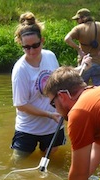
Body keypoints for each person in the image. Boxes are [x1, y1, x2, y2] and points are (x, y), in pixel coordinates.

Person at [11, 12, 65, 160]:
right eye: (26, 47)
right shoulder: (20, 70)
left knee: (52, 162)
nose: (32, 51)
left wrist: (80, 68)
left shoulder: (50, 56)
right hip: (28, 127)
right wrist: (49, 115)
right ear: (21, 45)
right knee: (18, 161)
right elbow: (21, 105)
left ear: (42, 40)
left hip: (53, 126)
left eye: (36, 45)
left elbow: (58, 83)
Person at [64, 8, 100, 86]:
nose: (77, 22)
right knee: (99, 90)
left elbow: (67, 39)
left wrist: (79, 50)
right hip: (98, 64)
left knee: (81, 90)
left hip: (84, 65)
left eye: (78, 19)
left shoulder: (78, 28)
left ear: (83, 18)